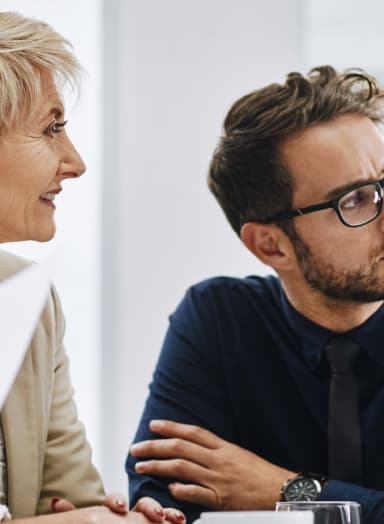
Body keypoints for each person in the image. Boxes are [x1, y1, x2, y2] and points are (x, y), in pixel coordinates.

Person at [124, 65, 384, 524]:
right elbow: (166, 498)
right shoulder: (217, 322)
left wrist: (290, 493)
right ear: (271, 245)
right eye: (355, 200)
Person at [0, 11, 183, 523]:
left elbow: (72, 500)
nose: (76, 161)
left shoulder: (30, 301)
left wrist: (111, 518)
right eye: (51, 128)